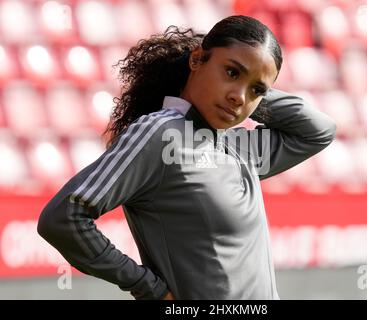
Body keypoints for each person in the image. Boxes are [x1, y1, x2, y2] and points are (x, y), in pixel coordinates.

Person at [37, 15, 336, 300]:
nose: (239, 97)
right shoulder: (159, 133)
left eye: (256, 90)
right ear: (196, 60)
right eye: (231, 71)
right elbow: (63, 217)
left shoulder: (238, 147)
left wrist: (249, 88)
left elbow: (318, 131)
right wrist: (147, 287)